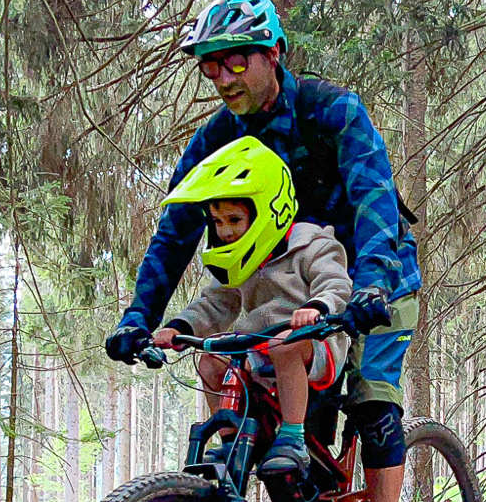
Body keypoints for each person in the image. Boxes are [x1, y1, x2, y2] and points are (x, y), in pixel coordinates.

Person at [106, 0, 421, 502]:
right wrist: (141, 316)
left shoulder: (333, 111)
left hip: (369, 279)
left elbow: (374, 200)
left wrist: (373, 283)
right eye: (211, 66)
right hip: (286, 296)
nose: (223, 78)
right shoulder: (216, 139)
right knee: (298, 434)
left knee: (371, 398)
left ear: (273, 53)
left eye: (235, 62)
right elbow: (176, 231)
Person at [148, 136, 353, 479]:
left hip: (316, 343)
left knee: (284, 345)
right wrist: (180, 328)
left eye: (234, 219)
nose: (225, 231)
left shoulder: (312, 244)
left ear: (266, 212)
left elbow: (336, 284)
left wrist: (317, 306)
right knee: (211, 360)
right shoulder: (240, 257)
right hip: (257, 347)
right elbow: (216, 303)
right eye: (218, 222)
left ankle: (293, 437)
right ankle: (230, 439)